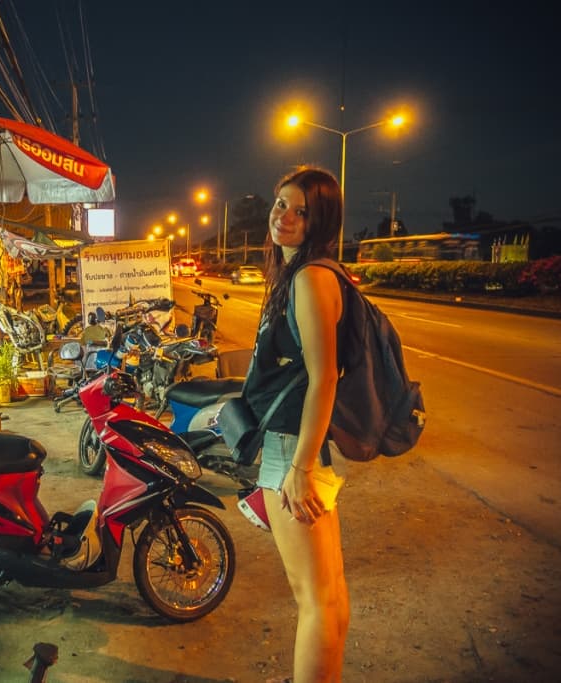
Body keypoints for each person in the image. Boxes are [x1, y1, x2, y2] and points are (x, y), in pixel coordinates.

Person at [239, 166, 350, 682]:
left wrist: (301, 466)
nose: (284, 217)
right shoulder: (296, 275)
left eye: (301, 210)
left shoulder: (311, 278)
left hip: (292, 450)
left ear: (320, 221)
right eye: (281, 204)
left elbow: (324, 377)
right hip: (294, 445)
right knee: (328, 597)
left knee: (317, 602)